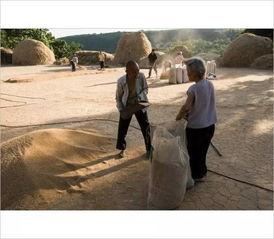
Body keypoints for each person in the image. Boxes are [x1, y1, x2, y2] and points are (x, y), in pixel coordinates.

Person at [176, 57, 217, 181]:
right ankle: (202, 171)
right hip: (210, 125)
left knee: (193, 152)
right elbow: (202, 104)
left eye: (188, 71)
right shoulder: (210, 84)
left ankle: (196, 176)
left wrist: (178, 117)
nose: (187, 74)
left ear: (194, 73)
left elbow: (186, 106)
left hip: (196, 128)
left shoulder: (193, 89)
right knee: (202, 151)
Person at [116, 60, 152, 158]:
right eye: (134, 72)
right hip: (127, 106)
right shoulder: (121, 81)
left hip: (139, 105)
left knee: (146, 127)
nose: (137, 74)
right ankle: (122, 149)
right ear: (127, 71)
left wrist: (139, 97)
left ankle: (149, 149)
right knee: (122, 129)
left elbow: (146, 88)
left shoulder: (141, 76)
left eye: (137, 71)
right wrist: (121, 110)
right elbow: (118, 98)